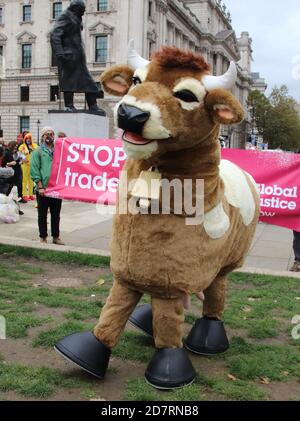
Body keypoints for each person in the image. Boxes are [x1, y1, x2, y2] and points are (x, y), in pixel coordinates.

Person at [50, 0, 104, 113]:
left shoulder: (76, 17)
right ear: (76, 8)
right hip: (68, 56)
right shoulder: (65, 16)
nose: (84, 13)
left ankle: (93, 106)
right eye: (82, 10)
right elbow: (55, 35)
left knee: (90, 84)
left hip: (78, 57)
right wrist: (59, 52)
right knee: (69, 82)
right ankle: (69, 105)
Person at [30, 127, 64, 245]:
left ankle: (56, 236)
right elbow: (34, 169)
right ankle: (43, 237)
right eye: (46, 134)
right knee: (42, 215)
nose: (49, 136)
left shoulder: (58, 151)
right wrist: (40, 186)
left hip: (56, 189)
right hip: (43, 189)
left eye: (51, 134)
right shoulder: (38, 152)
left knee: (56, 215)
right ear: (43, 137)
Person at [18, 133, 38, 201]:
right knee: (24, 181)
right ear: (25, 139)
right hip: (24, 166)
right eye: (27, 138)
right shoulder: (22, 146)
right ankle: (24, 195)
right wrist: (22, 159)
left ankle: (30, 195)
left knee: (31, 181)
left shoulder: (35, 146)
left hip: (32, 165)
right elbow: (19, 155)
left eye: (29, 138)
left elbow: (38, 153)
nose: (28, 140)